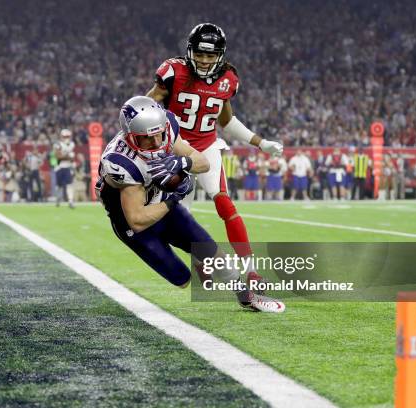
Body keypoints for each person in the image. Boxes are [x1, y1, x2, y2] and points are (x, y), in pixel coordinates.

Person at [97, 96, 284, 313]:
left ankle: (245, 296)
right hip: (134, 226)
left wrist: (184, 161)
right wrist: (174, 198)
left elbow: (202, 163)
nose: (156, 143)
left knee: (212, 252)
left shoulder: (167, 128)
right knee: (182, 278)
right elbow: (137, 219)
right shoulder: (120, 162)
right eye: (146, 139)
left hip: (163, 203)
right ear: (130, 136)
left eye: (158, 134)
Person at [147, 23, 283, 259]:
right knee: (178, 219)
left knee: (224, 203)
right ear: (190, 51)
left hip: (207, 146)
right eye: (199, 54)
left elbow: (227, 122)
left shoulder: (228, 79)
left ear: (219, 55)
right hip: (176, 151)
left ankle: (250, 269)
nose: (203, 60)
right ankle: (202, 262)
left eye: (210, 55)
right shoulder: (173, 71)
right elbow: (146, 108)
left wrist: (261, 143)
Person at [53, 129, 76, 208]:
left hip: (68, 167)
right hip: (59, 167)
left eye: (68, 136)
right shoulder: (58, 144)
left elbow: (72, 158)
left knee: (69, 184)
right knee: (59, 185)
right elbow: (57, 156)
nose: (66, 138)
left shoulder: (72, 144)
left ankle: (70, 201)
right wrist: (68, 156)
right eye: (65, 136)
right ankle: (58, 199)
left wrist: (68, 157)